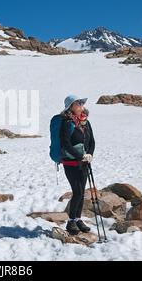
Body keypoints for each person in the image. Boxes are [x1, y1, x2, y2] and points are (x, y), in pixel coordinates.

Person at [60, 95, 95, 235]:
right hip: (71, 163)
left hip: (84, 162)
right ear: (71, 107)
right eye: (78, 103)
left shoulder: (86, 122)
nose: (81, 105)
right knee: (78, 191)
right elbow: (66, 144)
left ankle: (78, 219)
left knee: (81, 192)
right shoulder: (67, 123)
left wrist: (90, 154)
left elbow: (92, 141)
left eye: (81, 103)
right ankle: (71, 222)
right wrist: (80, 156)